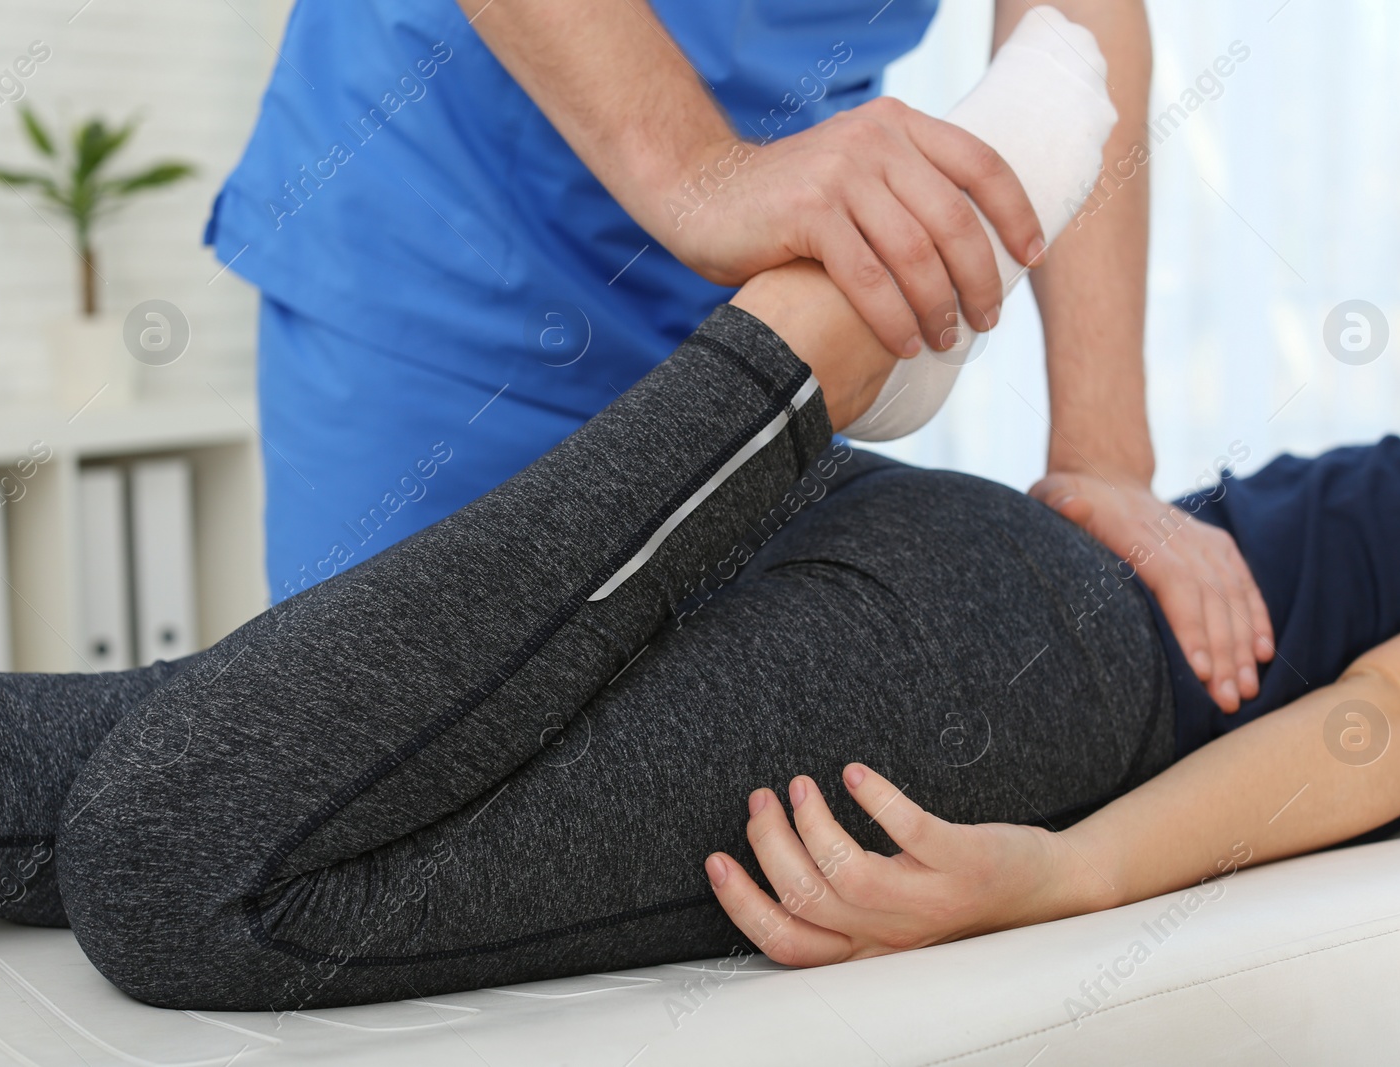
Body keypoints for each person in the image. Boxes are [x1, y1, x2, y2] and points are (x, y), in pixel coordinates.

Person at [0, 254, 1400, 1010]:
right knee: (189, 875)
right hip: (1033, 660)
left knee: (58, 768)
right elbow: (1396, 715)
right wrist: (1058, 876)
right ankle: (778, 365)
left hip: (952, 553)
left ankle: (775, 393)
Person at [206, 0, 1276, 713]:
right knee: (353, 773)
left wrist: (1103, 455)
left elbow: (1068, 38)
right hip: (440, 238)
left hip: (760, 307)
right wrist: (693, 172)